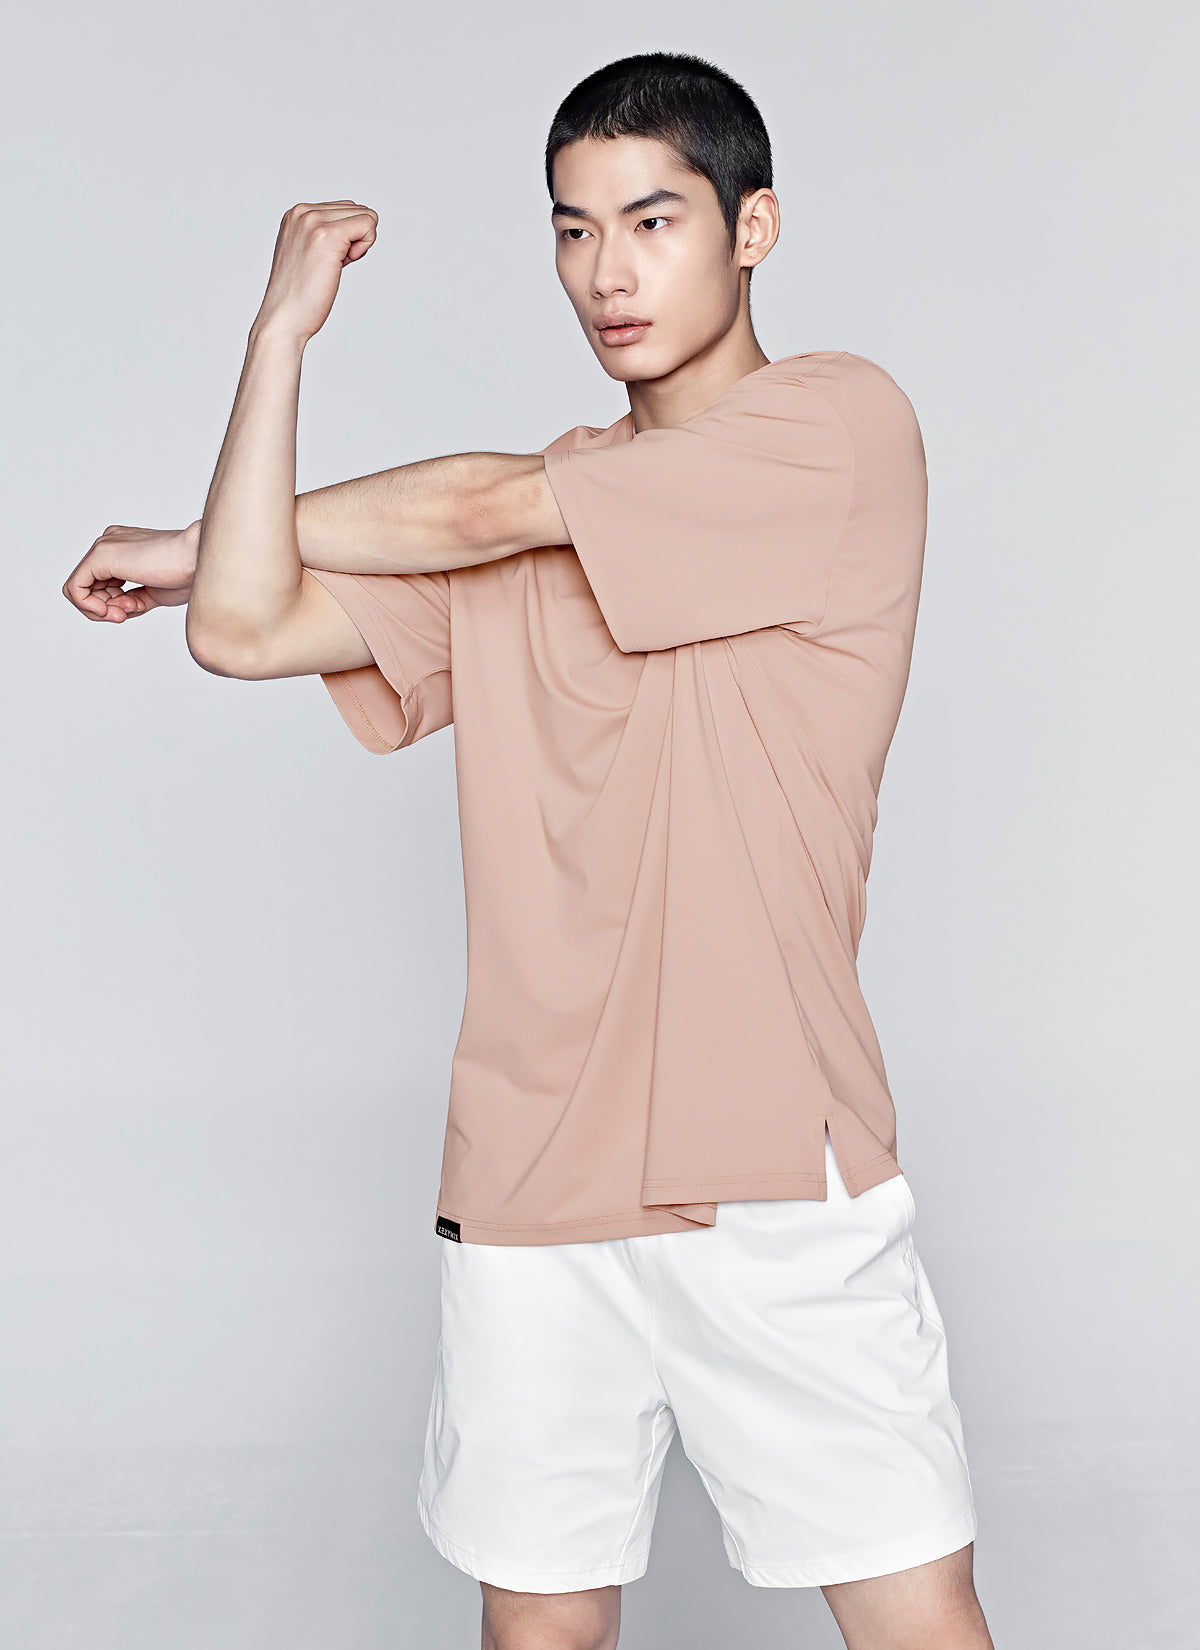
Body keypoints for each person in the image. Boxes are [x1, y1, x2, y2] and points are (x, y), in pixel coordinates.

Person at [63, 49, 995, 1650]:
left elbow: (482, 509)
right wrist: (277, 337)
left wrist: (190, 530)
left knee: (915, 1612)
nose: (607, 272)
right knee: (538, 1627)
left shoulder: (837, 427)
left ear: (753, 227)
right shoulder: (515, 528)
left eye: (653, 220)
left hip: (773, 1165)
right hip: (529, 1179)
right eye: (573, 229)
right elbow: (238, 624)